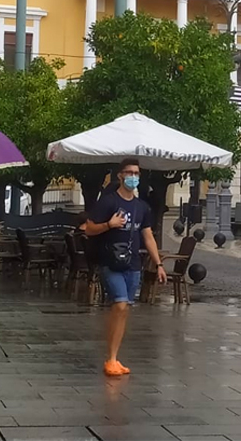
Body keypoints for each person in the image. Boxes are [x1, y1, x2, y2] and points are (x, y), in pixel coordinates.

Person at [82, 158, 167, 377]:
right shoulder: (108, 202)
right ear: (120, 175)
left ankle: (114, 357)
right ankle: (110, 358)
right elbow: (89, 229)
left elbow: (147, 236)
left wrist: (158, 264)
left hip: (133, 265)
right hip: (111, 262)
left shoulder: (141, 207)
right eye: (129, 173)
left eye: (137, 173)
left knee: (123, 309)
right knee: (119, 305)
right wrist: (109, 225)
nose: (133, 177)